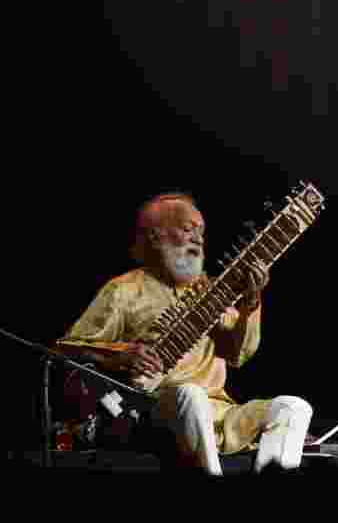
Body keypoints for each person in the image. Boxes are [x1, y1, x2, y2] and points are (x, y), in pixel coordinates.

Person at [55, 192, 313, 475]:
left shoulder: (215, 291)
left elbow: (238, 355)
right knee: (191, 395)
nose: (199, 239)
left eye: (201, 231)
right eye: (188, 229)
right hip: (154, 413)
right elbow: (66, 349)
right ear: (155, 237)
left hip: (219, 412)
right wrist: (122, 356)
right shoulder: (124, 290)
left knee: (294, 408)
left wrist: (250, 303)